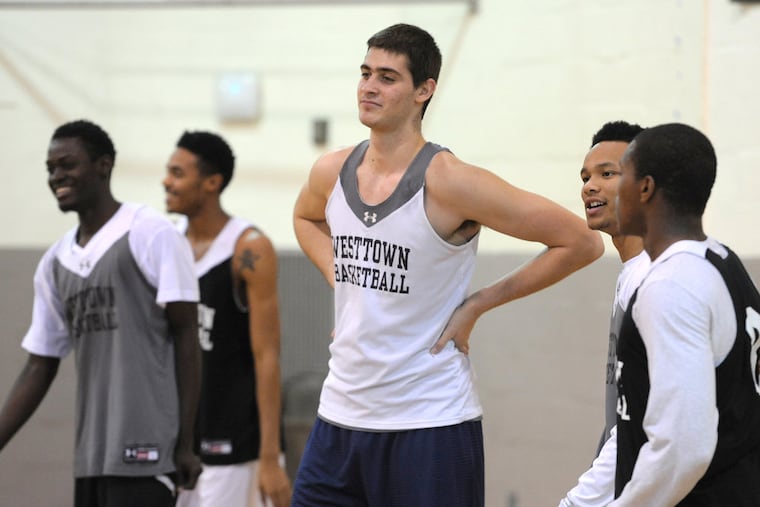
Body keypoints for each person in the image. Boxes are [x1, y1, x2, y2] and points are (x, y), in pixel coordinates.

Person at [291, 23, 604, 507]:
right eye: (365, 73)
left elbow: (580, 241)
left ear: (424, 90)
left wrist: (478, 304)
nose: (369, 87)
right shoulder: (331, 171)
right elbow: (305, 218)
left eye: (388, 77)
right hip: (340, 418)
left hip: (428, 421)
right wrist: (343, 283)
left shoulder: (450, 180)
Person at [0, 119, 202, 506]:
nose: (56, 176)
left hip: (148, 453)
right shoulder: (55, 263)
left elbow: (187, 336)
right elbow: (38, 366)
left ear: (103, 165)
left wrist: (186, 442)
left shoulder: (151, 232)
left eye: (67, 164)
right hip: (92, 457)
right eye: (50, 168)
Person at [610, 122, 760, 505]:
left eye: (621, 175)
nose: (613, 192)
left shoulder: (671, 285)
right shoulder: (723, 262)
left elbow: (683, 446)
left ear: (645, 188)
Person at [163, 131, 291, 507]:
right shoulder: (167, 244)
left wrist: (270, 457)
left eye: (177, 173)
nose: (166, 182)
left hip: (237, 445)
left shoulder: (248, 248)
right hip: (180, 443)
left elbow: (267, 358)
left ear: (212, 182)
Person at [558, 121, 648, 507]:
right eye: (585, 176)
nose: (588, 186)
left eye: (606, 174)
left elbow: (647, 427)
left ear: (647, 186)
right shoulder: (632, 274)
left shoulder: (655, 281)